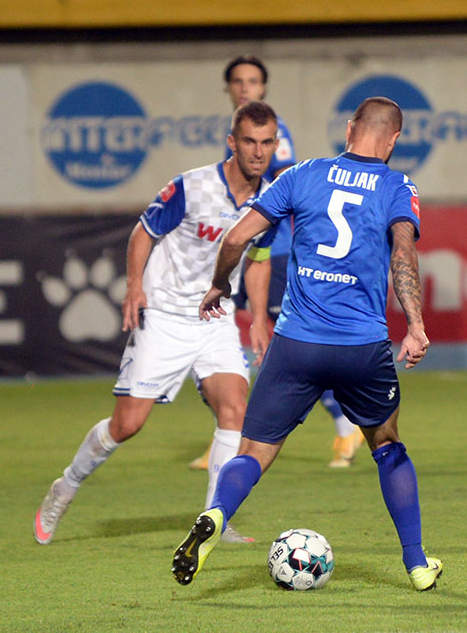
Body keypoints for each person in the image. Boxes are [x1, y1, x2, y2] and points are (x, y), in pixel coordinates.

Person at [171, 96, 442, 591]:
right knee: (387, 445)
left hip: (296, 342)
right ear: (394, 139)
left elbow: (236, 239)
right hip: (361, 347)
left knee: (253, 450)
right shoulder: (398, 186)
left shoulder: (301, 173)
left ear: (349, 129)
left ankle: (215, 513)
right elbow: (403, 252)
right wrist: (416, 324)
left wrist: (219, 284)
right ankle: (417, 563)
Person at [33, 101, 281, 546]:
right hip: (164, 315)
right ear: (232, 142)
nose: (258, 151)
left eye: (266, 143)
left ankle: (214, 521)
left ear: (275, 144)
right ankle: (66, 486)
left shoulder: (273, 199)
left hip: (216, 318)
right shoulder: (191, 186)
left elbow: (259, 257)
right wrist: (134, 286)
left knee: (236, 411)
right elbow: (144, 232)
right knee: (127, 425)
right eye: (249, 141)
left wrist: (258, 316)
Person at [188, 54, 364, 472]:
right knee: (240, 339)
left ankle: (344, 423)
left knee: (284, 344)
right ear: (228, 88)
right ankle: (227, 434)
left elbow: (284, 186)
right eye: (238, 81)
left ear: (264, 88)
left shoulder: (271, 132)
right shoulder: (241, 133)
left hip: (277, 251)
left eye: (253, 81)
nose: (245, 87)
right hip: (252, 250)